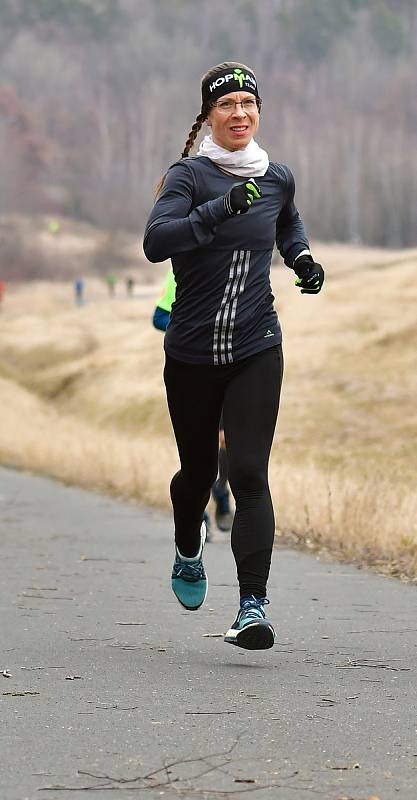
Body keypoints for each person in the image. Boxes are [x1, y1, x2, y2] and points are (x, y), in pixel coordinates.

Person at [143, 61, 324, 651]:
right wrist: (217, 211)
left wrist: (300, 260)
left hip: (255, 345)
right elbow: (155, 241)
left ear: (259, 112)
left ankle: (252, 606)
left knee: (248, 472)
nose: (240, 113)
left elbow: (287, 225)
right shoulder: (188, 176)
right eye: (227, 105)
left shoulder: (277, 177)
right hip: (193, 354)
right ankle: (188, 545)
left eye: (249, 103)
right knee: (197, 474)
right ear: (210, 115)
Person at [152, 267, 234, 534]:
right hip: (192, 369)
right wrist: (189, 324)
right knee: (199, 448)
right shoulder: (179, 266)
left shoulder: (236, 261)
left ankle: (221, 495)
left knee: (225, 441)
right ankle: (201, 519)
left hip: (230, 367)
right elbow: (159, 317)